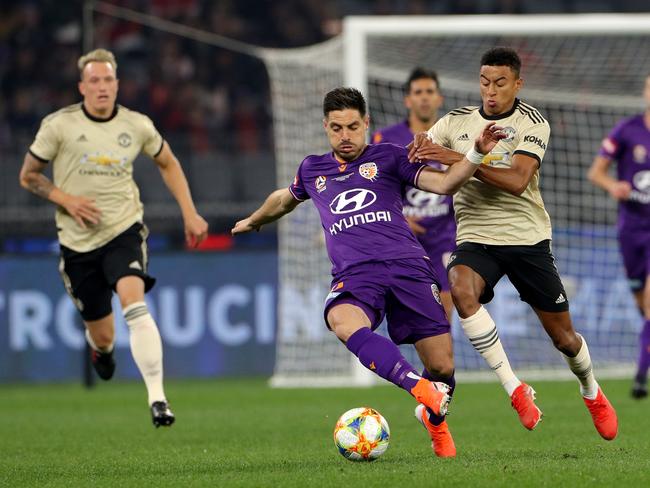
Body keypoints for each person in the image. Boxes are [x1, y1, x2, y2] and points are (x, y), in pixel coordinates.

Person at [232, 87, 506, 457]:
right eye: (336, 128)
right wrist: (253, 220)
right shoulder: (313, 169)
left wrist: (475, 153)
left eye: (352, 126)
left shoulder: (390, 157)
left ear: (366, 124)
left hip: (409, 267)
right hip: (357, 273)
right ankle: (419, 389)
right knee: (341, 321)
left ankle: (434, 421)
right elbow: (283, 199)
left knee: (441, 366)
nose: (345, 136)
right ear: (325, 127)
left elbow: (444, 184)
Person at [409, 47, 618, 440]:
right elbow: (420, 151)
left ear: (517, 84)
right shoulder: (455, 121)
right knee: (460, 287)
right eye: (485, 82)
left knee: (564, 339)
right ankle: (515, 388)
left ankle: (591, 390)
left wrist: (462, 158)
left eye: (501, 83)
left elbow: (517, 181)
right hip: (476, 238)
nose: (491, 91)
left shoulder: (532, 123)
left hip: (527, 240)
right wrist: (416, 150)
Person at [19, 48, 208, 427]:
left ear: (117, 85)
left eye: (108, 80)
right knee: (103, 335)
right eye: (94, 81)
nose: (102, 87)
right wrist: (65, 199)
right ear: (82, 86)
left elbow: (167, 162)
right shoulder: (59, 125)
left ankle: (158, 399)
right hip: (77, 242)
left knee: (133, 301)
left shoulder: (136, 125)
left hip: (124, 229)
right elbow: (29, 176)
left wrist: (190, 211)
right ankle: (101, 352)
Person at [372, 68, 455, 319]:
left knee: (443, 317)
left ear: (439, 98)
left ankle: (443, 359)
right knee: (405, 321)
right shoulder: (386, 139)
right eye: (418, 92)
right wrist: (400, 218)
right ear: (408, 100)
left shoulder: (453, 136)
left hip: (444, 237)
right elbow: (376, 188)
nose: (424, 97)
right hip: (403, 240)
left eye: (430, 91)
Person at [588, 74, 650, 400]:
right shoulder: (627, 131)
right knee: (643, 304)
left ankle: (640, 378)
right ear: (645, 92)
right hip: (631, 230)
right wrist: (614, 186)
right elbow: (596, 171)